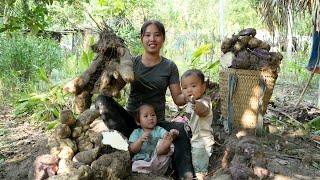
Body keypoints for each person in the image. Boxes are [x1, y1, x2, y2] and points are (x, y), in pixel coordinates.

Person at [95, 20, 194, 179]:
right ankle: (126, 147)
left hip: (157, 124)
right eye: (147, 35)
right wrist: (106, 76)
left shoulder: (169, 66)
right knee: (101, 101)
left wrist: (190, 95)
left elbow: (178, 99)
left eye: (157, 35)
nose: (152, 39)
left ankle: (185, 176)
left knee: (181, 129)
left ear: (163, 38)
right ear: (142, 38)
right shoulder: (131, 63)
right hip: (132, 124)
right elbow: (114, 90)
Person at [180, 69, 215, 180]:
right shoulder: (189, 103)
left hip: (202, 143)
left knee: (200, 169)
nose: (189, 90)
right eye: (185, 88)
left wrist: (195, 103)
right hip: (195, 140)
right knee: (195, 162)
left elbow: (203, 110)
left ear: (203, 87)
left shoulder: (203, 102)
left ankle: (201, 176)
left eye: (193, 86)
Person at [129, 104, 179, 175]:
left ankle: (167, 142)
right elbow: (132, 149)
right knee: (136, 167)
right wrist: (140, 140)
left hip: (158, 160)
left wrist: (169, 135)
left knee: (164, 141)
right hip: (142, 161)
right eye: (146, 116)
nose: (150, 118)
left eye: (153, 115)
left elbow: (164, 134)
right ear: (138, 121)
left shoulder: (158, 129)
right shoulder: (136, 132)